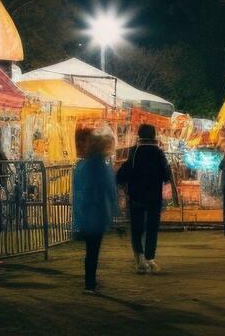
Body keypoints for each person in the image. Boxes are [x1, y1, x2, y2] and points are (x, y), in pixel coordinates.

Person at [117, 123, 174, 272]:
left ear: (139, 135)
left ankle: (140, 259)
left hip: (136, 196)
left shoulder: (134, 152)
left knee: (137, 228)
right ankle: (150, 258)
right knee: (152, 227)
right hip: (154, 197)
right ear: (154, 135)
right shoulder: (159, 153)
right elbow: (167, 175)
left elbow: (123, 174)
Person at [72, 134, 118, 295]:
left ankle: (89, 282)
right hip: (97, 214)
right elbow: (111, 191)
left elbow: (76, 188)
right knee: (93, 250)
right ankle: (90, 283)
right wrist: (114, 211)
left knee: (90, 250)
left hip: (84, 213)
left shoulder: (81, 166)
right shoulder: (103, 167)